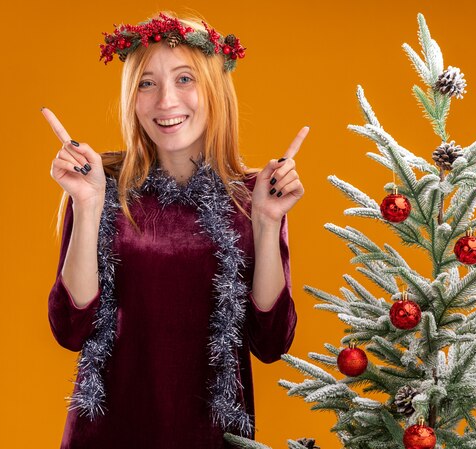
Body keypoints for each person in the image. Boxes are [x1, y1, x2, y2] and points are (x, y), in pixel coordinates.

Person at [44, 11, 307, 449]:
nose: (166, 101)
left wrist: (266, 223)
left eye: (185, 79)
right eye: (146, 83)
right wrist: (88, 207)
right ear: (131, 97)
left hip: (214, 437)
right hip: (107, 436)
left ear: (215, 90)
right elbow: (70, 330)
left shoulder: (255, 195)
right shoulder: (100, 186)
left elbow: (272, 341)